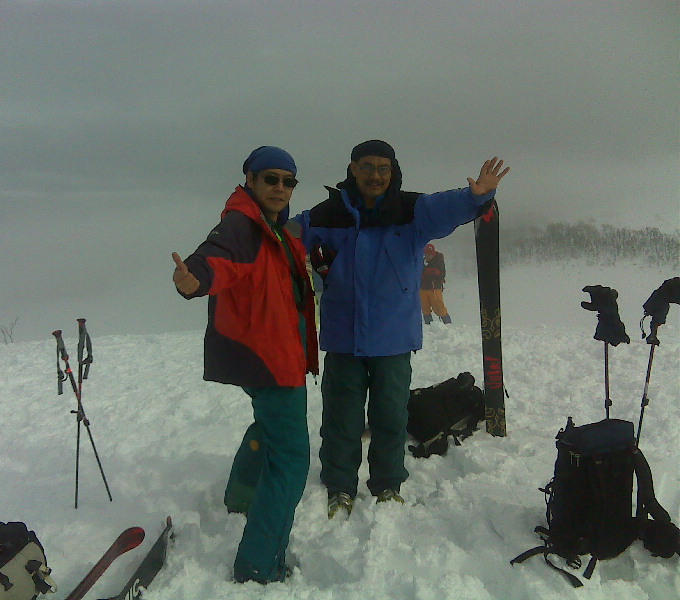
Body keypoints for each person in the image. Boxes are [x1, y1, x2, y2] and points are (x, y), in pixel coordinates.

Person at [292, 140, 509, 518]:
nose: (375, 175)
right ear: (353, 169)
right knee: (341, 419)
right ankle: (340, 486)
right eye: (367, 167)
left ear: (392, 172)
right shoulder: (327, 215)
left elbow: (444, 207)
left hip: (393, 340)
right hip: (343, 339)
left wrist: (475, 196)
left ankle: (388, 484)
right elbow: (284, 236)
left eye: (383, 168)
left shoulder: (410, 211)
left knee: (391, 417)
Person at [171, 146, 318, 584]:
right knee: (291, 458)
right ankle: (259, 563)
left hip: (275, 354)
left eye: (288, 181)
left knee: (268, 427)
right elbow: (216, 257)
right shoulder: (243, 224)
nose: (279, 187)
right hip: (272, 360)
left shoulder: (277, 230)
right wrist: (194, 278)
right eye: (270, 178)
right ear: (249, 180)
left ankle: (240, 496)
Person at [420, 242, 451, 324]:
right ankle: (429, 326)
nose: (428, 256)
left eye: (430, 254)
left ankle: (448, 325)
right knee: (425, 309)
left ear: (433, 254)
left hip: (434, 288)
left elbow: (442, 274)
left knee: (439, 308)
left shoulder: (438, 261)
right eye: (427, 254)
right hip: (422, 288)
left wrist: (433, 273)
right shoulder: (421, 261)